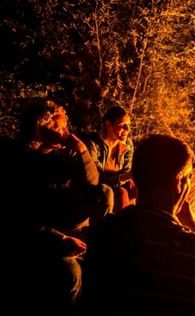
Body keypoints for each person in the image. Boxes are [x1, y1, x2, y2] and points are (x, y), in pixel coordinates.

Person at [80, 134, 195, 315]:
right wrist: (190, 223)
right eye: (189, 177)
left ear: (135, 179)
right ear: (178, 181)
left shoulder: (102, 234)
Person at [2, 100, 111, 313]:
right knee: (71, 273)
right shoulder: (17, 162)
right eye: (59, 128)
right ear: (39, 130)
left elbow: (93, 184)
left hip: (68, 222)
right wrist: (60, 239)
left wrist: (81, 151)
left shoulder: (64, 152)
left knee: (105, 192)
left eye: (65, 127)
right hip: (42, 233)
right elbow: (20, 219)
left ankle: (101, 244)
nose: (66, 133)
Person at [86, 106, 135, 213]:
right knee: (120, 193)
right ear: (108, 125)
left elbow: (127, 171)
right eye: (122, 125)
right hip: (95, 188)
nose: (127, 129)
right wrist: (125, 177)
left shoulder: (128, 145)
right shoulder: (93, 144)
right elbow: (95, 178)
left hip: (117, 185)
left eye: (129, 125)